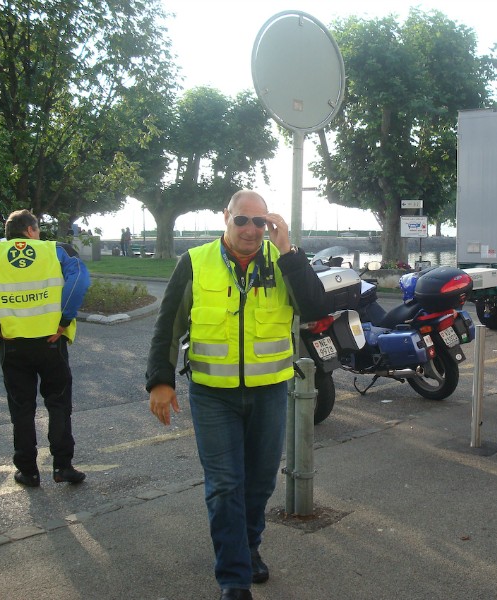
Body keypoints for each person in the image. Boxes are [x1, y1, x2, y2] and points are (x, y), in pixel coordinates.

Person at [146, 190, 327, 600]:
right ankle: (233, 578)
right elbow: (168, 324)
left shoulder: (283, 260)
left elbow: (315, 308)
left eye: (260, 222)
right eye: (242, 220)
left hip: (268, 392)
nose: (250, 230)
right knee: (225, 484)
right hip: (213, 395)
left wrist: (288, 252)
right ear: (225, 217)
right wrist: (160, 380)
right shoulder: (195, 261)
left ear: (270, 224)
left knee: (259, 483)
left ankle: (248, 547)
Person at [0, 209, 91, 486]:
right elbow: (79, 281)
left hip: (12, 343)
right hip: (52, 342)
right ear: (30, 230)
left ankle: (28, 471)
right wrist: (64, 319)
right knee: (59, 404)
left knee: (22, 409)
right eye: (37, 229)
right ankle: (63, 466)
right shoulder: (58, 250)